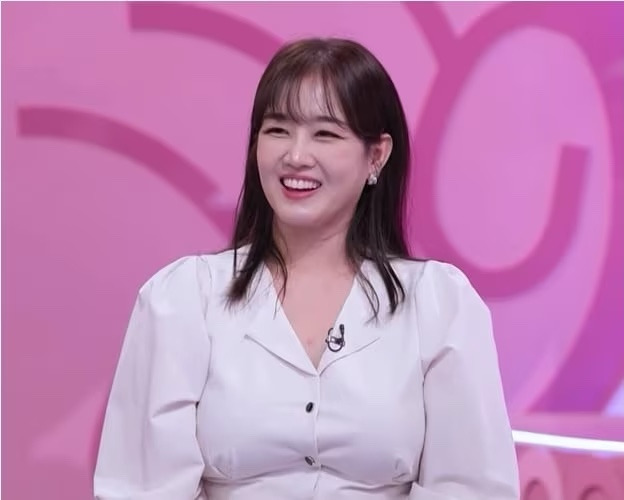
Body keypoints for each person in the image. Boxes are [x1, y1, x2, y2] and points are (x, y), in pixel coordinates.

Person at [93, 38, 520, 499]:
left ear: (376, 155)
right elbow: (140, 488)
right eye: (278, 130)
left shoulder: (438, 304)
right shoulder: (184, 299)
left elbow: (472, 488)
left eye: (325, 134)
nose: (295, 156)